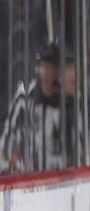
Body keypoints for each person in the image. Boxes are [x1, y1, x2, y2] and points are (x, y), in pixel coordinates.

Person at [0, 43, 64, 173]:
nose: (45, 71)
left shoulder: (65, 101)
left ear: (57, 70)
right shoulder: (24, 97)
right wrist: (8, 163)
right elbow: (8, 136)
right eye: (42, 66)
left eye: (50, 67)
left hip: (59, 181)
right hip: (30, 179)